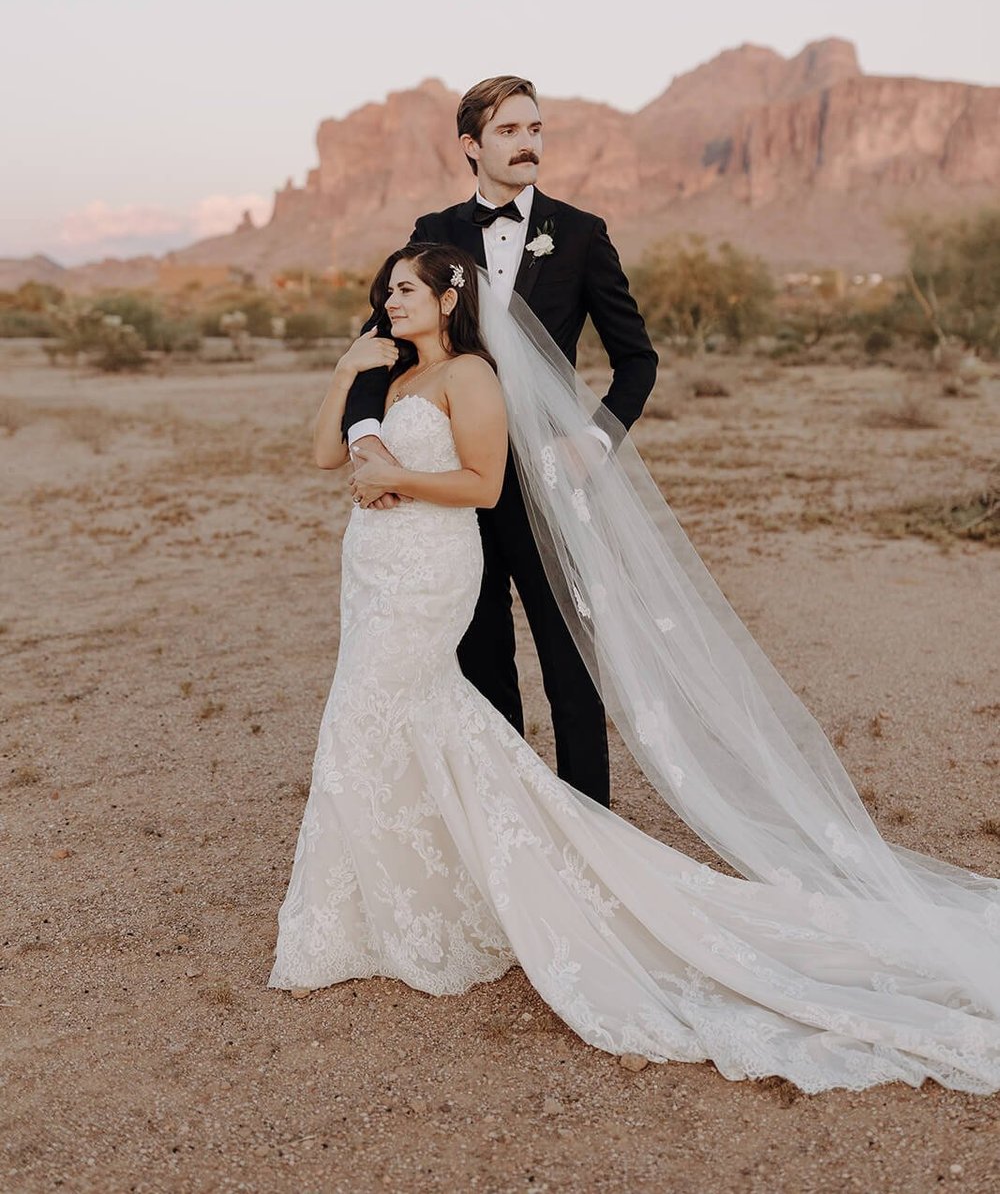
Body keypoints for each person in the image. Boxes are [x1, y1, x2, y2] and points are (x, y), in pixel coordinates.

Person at [268, 245, 1000, 1095]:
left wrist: (397, 473)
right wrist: (341, 373)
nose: (386, 302)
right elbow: (326, 457)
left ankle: (429, 899)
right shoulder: (388, 383)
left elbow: (483, 482)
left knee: (375, 710)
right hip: (371, 570)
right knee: (390, 720)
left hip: (429, 570)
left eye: (402, 290)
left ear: (446, 298)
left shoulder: (470, 374)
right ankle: (402, 904)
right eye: (382, 292)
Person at [341, 76, 658, 808]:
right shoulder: (434, 231)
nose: (528, 143)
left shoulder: (580, 232)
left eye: (536, 129)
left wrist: (596, 440)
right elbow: (376, 344)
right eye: (511, 130)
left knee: (570, 665)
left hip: (551, 484)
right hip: (451, 485)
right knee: (480, 660)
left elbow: (637, 358)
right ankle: (508, 825)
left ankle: (591, 828)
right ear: (471, 146)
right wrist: (366, 438)